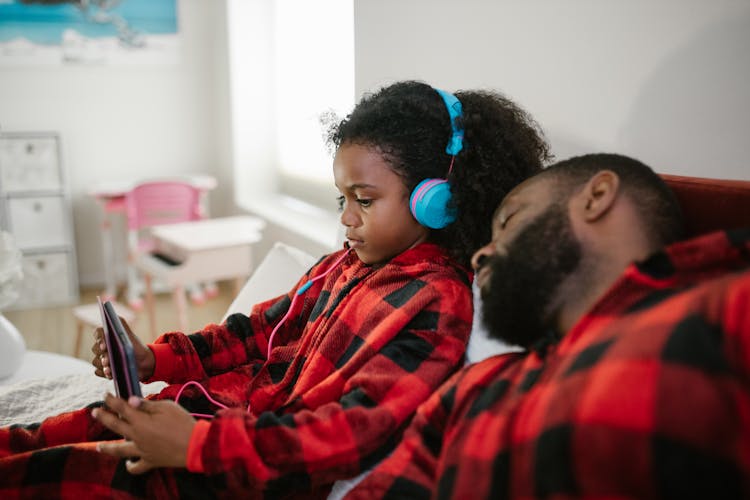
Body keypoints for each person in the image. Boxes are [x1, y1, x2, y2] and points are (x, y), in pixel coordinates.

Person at [0, 81, 549, 498]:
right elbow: (255, 331)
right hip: (210, 423)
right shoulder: (340, 266)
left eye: (364, 199)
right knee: (63, 430)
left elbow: (354, 430)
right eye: (342, 199)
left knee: (62, 472)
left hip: (241, 470)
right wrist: (155, 358)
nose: (348, 219)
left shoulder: (437, 303)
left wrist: (192, 446)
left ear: (438, 200)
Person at [346, 153, 750, 499]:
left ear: (596, 197)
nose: (480, 255)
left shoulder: (725, 305)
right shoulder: (476, 387)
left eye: (508, 222)